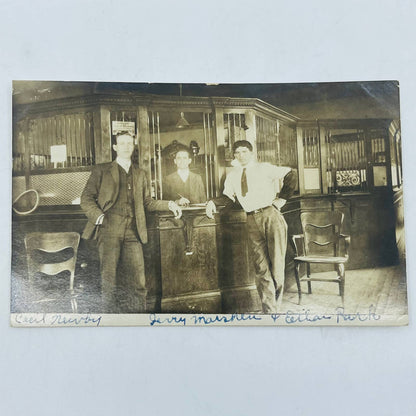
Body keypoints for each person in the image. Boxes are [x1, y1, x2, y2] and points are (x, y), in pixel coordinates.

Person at [81, 132, 182, 313]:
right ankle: (109, 322)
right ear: (115, 147)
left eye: (130, 143)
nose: (127, 147)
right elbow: (86, 199)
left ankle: (139, 321)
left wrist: (170, 204)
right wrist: (100, 217)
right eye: (122, 143)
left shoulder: (140, 173)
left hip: (133, 231)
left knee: (139, 281)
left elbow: (148, 203)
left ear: (133, 146)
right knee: (109, 280)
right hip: (108, 229)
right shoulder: (101, 170)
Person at [206, 140, 297, 313]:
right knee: (261, 267)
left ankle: (275, 308)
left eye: (244, 152)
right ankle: (269, 311)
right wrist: (211, 202)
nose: (241, 155)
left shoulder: (264, 168)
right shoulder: (232, 175)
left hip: (271, 215)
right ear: (234, 155)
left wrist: (282, 200)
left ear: (251, 153)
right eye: (237, 152)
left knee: (277, 265)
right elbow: (227, 198)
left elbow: (291, 174)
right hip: (251, 220)